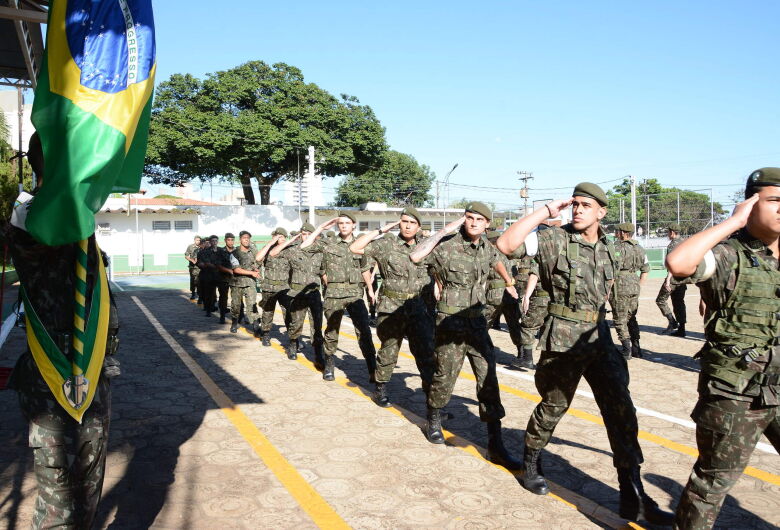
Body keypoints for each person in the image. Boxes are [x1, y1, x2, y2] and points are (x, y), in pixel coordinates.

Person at [496, 183, 673, 525]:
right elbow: (506, 244)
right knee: (554, 405)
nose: (577, 209)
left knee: (621, 409)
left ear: (602, 212)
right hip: (563, 336)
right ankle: (531, 460)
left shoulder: (612, 248)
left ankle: (631, 490)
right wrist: (547, 212)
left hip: (599, 336)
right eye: (575, 204)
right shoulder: (554, 239)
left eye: (586, 205)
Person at [6, 132, 120, 528]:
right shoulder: (30, 214)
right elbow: (47, 235)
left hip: (91, 371)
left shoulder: (79, 217)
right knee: (57, 493)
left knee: (88, 484)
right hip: (50, 373)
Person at [665, 168, 780, 529]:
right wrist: (731, 223)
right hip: (735, 392)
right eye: (775, 200)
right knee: (712, 483)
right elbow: (679, 263)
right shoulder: (728, 254)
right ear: (750, 204)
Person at [409, 202, 522, 470]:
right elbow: (416, 256)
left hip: (477, 325)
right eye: (469, 218)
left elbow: (497, 263)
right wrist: (444, 231)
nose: (472, 223)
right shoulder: (447, 246)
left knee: (488, 379)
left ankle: (496, 442)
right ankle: (434, 419)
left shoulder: (487, 249)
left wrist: (509, 283)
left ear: (486, 225)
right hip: (449, 322)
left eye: (478, 220)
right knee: (444, 375)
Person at [350, 207, 435, 408]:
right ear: (399, 223)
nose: (407, 226)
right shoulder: (386, 244)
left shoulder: (425, 247)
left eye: (412, 223)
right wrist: (381, 230)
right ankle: (380, 389)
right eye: (404, 221)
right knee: (389, 350)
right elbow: (355, 248)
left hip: (418, 308)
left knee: (426, 353)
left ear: (419, 227)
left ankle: (433, 401)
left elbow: (436, 269)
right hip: (392, 307)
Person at [301, 212, 376, 382]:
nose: (343, 226)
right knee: (332, 330)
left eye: (347, 223)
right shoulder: (328, 243)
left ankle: (372, 367)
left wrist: (370, 289)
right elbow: (304, 246)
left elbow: (365, 269)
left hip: (355, 293)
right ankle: (329, 364)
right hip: (334, 294)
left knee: (364, 330)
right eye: (340, 223)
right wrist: (320, 227)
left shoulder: (360, 244)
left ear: (354, 225)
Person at [269, 222, 324, 364]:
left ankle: (318, 352)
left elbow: (323, 272)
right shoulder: (293, 250)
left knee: (317, 324)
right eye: (303, 234)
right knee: (296, 322)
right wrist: (291, 240)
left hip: (314, 293)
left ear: (315, 236)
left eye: (309, 234)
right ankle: (293, 344)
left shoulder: (319, 251)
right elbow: (273, 253)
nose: (306, 237)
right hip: (297, 293)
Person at [483, 230, 523, 363]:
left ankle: (482, 349)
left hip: (494, 293)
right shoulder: (509, 254)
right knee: (514, 324)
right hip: (511, 293)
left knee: (483, 323)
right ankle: (522, 352)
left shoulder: (489, 254)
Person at [613, 222, 650, 359]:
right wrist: (638, 285)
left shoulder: (615, 247)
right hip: (634, 284)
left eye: (618, 231)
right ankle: (636, 348)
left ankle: (626, 349)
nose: (616, 233)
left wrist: (607, 291)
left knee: (620, 318)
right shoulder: (640, 248)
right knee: (631, 317)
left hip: (620, 285)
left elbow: (611, 271)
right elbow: (645, 270)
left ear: (623, 233)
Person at [255, 228, 292, 346]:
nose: (279, 239)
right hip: (269, 287)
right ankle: (265, 334)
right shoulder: (268, 249)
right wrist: (270, 243)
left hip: (284, 287)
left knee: (288, 313)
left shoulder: (289, 250)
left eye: (281, 237)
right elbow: (258, 258)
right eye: (277, 237)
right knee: (268, 311)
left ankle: (293, 339)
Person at [657, 223, 687, 336]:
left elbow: (672, 264)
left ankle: (672, 322)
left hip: (673, 278)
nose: (667, 234)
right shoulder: (685, 242)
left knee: (660, 300)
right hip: (683, 278)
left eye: (668, 232)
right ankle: (682, 329)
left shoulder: (673, 245)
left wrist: (668, 280)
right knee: (679, 302)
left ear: (673, 232)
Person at [229, 231, 260, 333]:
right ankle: (234, 322)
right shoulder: (234, 253)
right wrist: (251, 273)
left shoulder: (254, 251)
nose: (246, 239)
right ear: (240, 240)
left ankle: (256, 326)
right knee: (236, 305)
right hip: (237, 283)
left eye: (248, 238)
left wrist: (257, 268)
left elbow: (259, 262)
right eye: (244, 238)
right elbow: (236, 269)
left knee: (252, 305)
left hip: (250, 283)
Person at [196, 235, 223, 317]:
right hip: (208, 275)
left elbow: (225, 261)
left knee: (222, 294)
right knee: (209, 294)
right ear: (210, 242)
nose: (214, 242)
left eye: (216, 241)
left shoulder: (221, 250)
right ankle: (208, 309)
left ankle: (222, 311)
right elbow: (202, 263)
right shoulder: (204, 252)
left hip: (220, 275)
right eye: (213, 241)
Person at [214, 233, 236, 324]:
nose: (230, 242)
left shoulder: (237, 251)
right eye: (228, 240)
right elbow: (218, 265)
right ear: (225, 240)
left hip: (235, 279)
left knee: (236, 299)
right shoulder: (220, 251)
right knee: (223, 298)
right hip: (223, 278)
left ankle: (239, 316)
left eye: (232, 240)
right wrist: (229, 271)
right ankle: (222, 316)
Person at [185, 235, 201, 300]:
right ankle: (193, 293)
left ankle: (200, 295)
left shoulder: (201, 247)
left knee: (199, 281)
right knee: (193, 281)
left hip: (200, 267)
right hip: (193, 267)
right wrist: (192, 260)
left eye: (199, 240)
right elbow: (186, 256)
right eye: (197, 240)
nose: (198, 241)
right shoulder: (190, 247)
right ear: (194, 240)